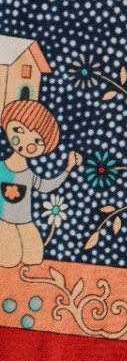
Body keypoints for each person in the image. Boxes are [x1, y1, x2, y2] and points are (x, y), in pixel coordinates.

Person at [0, 99, 81, 267]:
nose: (26, 142)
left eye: (37, 141)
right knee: (9, 260)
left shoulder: (29, 174)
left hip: (25, 221)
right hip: (3, 220)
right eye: (19, 130)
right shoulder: (1, 168)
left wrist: (68, 168)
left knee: (34, 258)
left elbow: (45, 186)